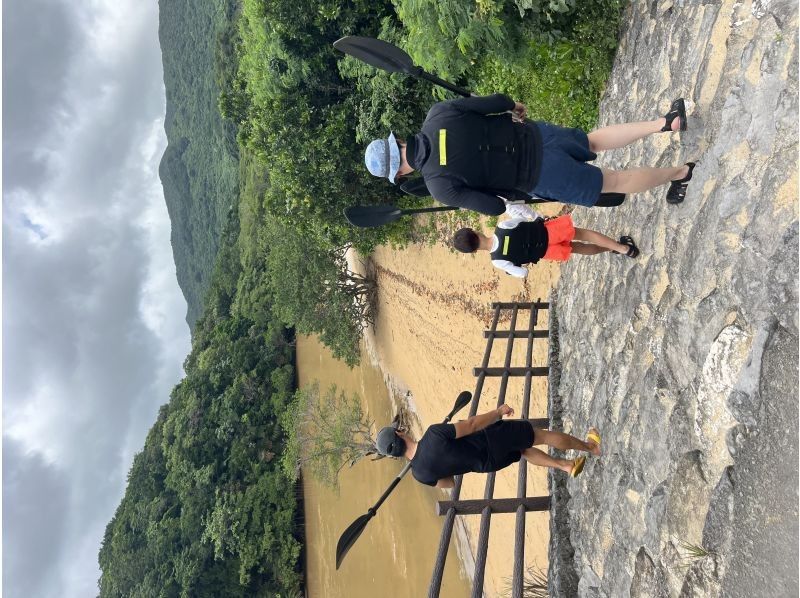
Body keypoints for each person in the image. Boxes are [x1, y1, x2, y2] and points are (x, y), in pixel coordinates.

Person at [364, 95, 697, 215]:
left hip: (538, 175)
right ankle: (665, 123)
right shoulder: (438, 114)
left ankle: (679, 174)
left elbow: (494, 206)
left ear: (400, 174)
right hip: (538, 135)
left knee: (615, 181)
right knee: (593, 141)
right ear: (400, 141)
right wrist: (514, 107)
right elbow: (497, 102)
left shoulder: (438, 186)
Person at [375, 404, 601, 488]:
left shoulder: (420, 474)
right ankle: (591, 447)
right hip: (491, 439)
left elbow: (450, 483)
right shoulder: (433, 434)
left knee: (523, 451)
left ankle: (565, 466)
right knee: (539, 436)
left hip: (487, 464)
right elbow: (472, 425)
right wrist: (497, 412)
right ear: (400, 432)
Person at [453, 202, 638, 278]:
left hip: (545, 252)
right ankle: (623, 248)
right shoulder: (502, 228)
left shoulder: (498, 261)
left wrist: (516, 266)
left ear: (474, 251)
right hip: (548, 231)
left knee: (579, 248)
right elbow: (522, 218)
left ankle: (610, 249)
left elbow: (522, 274)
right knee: (585, 235)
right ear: (476, 233)